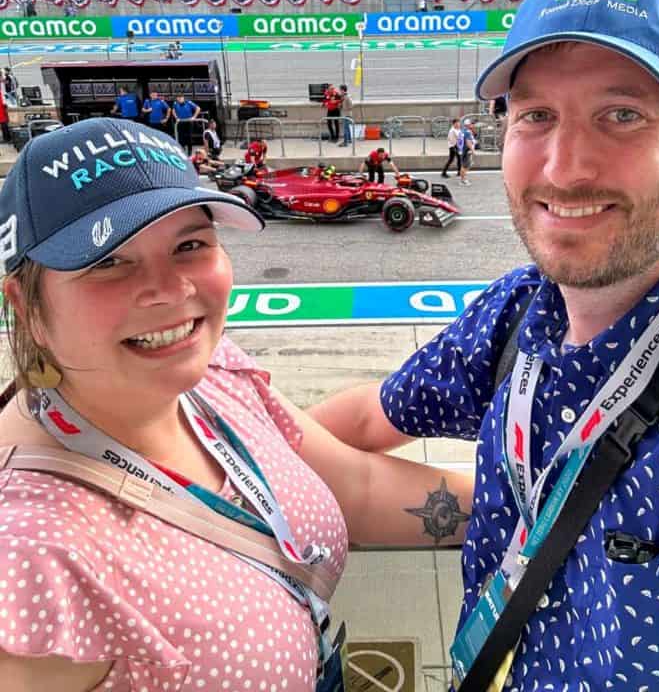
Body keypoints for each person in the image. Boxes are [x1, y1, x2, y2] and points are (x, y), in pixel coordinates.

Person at [308, 0, 659, 690]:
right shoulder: (515, 313)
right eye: (537, 116)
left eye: (623, 115)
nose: (564, 166)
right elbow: (368, 416)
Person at [0, 118, 472, 690]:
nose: (172, 291)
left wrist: (542, 512)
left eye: (190, 245)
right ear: (25, 304)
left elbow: (360, 488)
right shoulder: (27, 556)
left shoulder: (212, 368)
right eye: (108, 261)